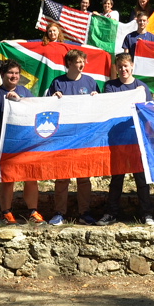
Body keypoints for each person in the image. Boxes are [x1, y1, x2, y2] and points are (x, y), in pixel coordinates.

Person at [96, 54, 154, 226]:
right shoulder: (110, 86)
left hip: (137, 139)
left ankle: (146, 214)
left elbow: (148, 114)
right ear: (116, 68)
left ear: (132, 66)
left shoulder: (142, 87)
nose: (123, 69)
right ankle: (111, 213)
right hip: (117, 139)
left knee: (141, 178)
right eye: (120, 67)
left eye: (126, 66)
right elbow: (109, 108)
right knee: (117, 178)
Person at [45, 49, 101, 226]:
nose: (82, 64)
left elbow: (100, 108)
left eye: (83, 61)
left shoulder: (90, 82)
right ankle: (59, 213)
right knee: (62, 177)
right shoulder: (58, 82)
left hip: (84, 136)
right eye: (78, 62)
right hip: (64, 137)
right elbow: (47, 109)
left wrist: (97, 98)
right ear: (69, 64)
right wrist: (53, 98)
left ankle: (85, 213)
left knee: (84, 177)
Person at [0, 61, 43, 225]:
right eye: (11, 73)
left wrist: (20, 101)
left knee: (31, 178)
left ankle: (33, 212)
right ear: (3, 74)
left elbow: (35, 112)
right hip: (5, 147)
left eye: (17, 73)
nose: (14, 76)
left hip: (26, 146)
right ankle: (6, 214)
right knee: (7, 180)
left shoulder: (25, 92)